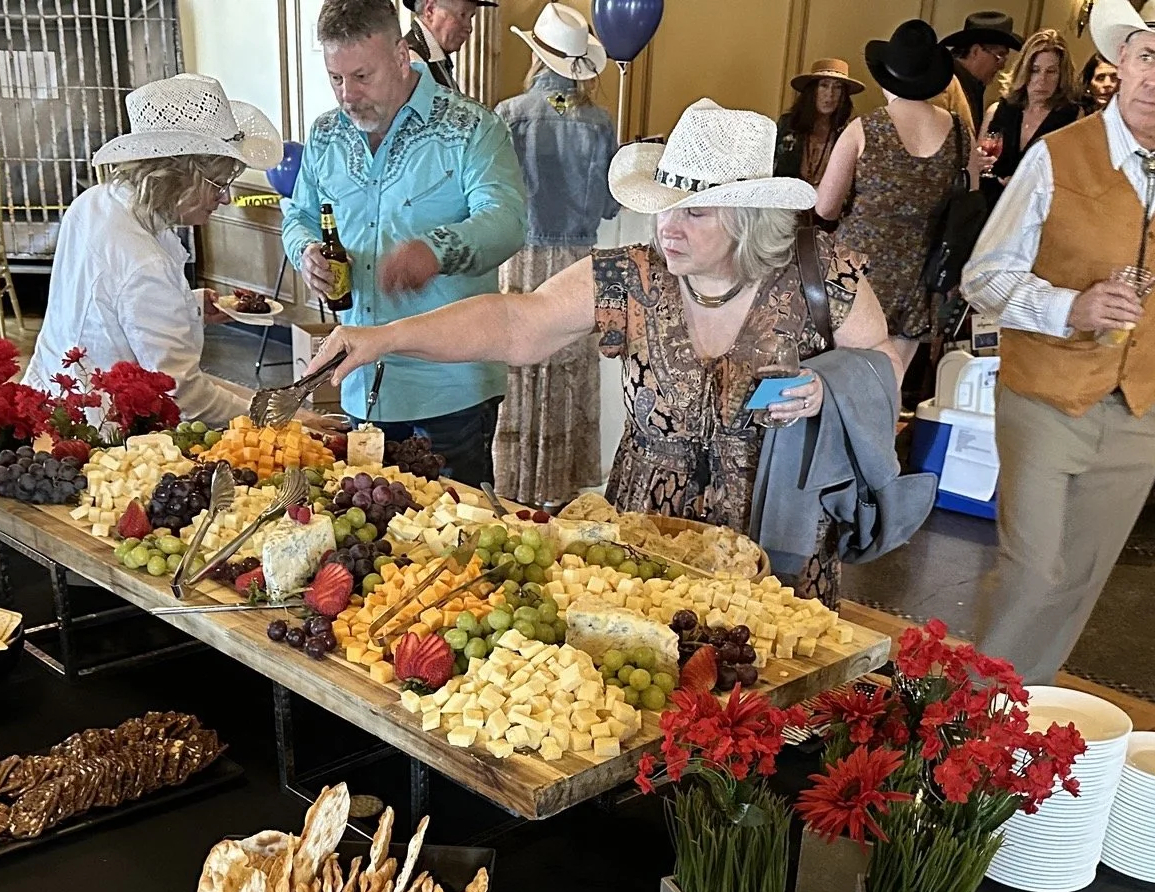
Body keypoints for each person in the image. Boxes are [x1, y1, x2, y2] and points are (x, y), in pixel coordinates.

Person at [310, 100, 897, 605]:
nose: (668, 226)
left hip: (779, 537)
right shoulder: (633, 276)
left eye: (694, 211)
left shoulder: (823, 277)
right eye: (665, 204)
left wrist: (828, 390)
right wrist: (383, 338)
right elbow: (518, 322)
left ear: (747, 217)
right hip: (647, 545)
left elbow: (882, 363)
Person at [962, 0, 1155, 684]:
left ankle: (1021, 719)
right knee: (1035, 572)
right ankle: (965, 717)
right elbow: (985, 279)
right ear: (1119, 61)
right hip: (1044, 395)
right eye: (1145, 57)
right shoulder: (1056, 156)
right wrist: (1071, 306)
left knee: (1082, 581)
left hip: (1140, 407)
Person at [285, 0, 526, 486]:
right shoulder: (326, 134)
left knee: (455, 549)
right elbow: (299, 215)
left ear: (400, 56)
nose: (347, 96)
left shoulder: (472, 128)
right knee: (373, 546)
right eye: (336, 79)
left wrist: (436, 249)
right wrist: (306, 252)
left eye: (362, 76)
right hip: (356, 386)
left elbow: (507, 221)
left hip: (450, 391)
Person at [26, 75, 284, 427]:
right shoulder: (145, 260)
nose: (226, 198)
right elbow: (185, 396)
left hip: (53, 397)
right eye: (219, 184)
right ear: (177, 175)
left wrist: (186, 305)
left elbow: (108, 307)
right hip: (104, 429)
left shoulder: (96, 202)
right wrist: (274, 416)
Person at [492, 3, 616, 504]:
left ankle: (517, 480)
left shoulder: (509, 115)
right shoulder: (600, 122)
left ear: (538, 56)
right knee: (568, 364)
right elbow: (609, 205)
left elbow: (494, 196)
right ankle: (559, 483)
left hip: (521, 256)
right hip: (579, 262)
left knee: (519, 359)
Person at [816, 22, 970, 375]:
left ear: (885, 76)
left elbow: (825, 206)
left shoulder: (863, 130)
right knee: (889, 387)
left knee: (841, 382)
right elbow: (965, 203)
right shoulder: (960, 133)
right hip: (919, 274)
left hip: (854, 270)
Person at [982, 30, 1080, 187]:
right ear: (1024, 71)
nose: (1042, 79)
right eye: (1035, 70)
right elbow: (979, 167)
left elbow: (1071, 177)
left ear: (1062, 76)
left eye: (1051, 71)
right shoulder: (998, 111)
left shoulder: (1071, 119)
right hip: (992, 204)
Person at [776, 58, 861, 188]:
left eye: (837, 87)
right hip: (786, 199)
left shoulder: (848, 132)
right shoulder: (788, 125)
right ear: (812, 91)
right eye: (824, 85)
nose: (830, 94)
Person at [943, 10, 1022, 133]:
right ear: (975, 51)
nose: (1002, 67)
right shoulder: (944, 82)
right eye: (999, 56)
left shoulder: (971, 83)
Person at [402, 0, 491, 92]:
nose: (469, 27)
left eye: (470, 17)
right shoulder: (412, 63)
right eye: (462, 15)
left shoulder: (435, 60)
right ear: (430, 10)